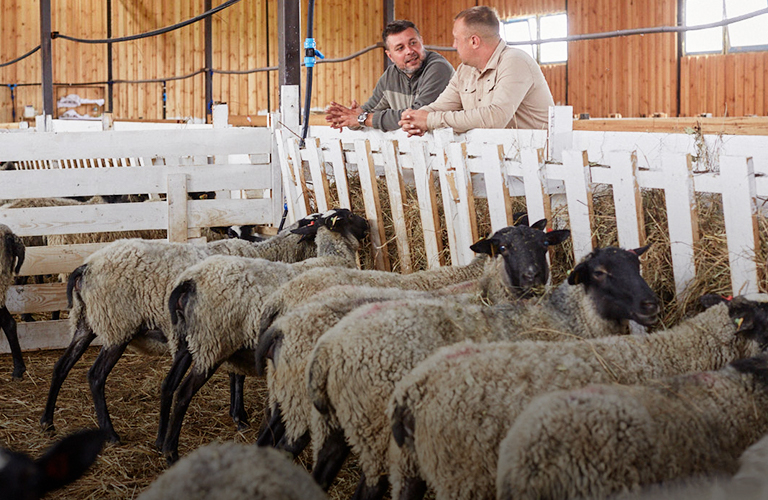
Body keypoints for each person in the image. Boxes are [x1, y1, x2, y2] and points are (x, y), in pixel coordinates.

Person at [398, 6, 555, 136]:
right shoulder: (464, 70)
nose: (454, 45)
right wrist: (414, 118)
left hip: (537, 164)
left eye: (456, 39)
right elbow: (441, 105)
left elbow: (495, 117)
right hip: (498, 160)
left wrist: (429, 120)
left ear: (474, 41)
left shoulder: (515, 61)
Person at [325, 20, 454, 132]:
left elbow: (417, 115)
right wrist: (347, 118)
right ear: (390, 56)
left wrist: (362, 119)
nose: (409, 51)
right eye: (400, 48)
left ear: (422, 42)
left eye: (413, 43)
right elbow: (366, 112)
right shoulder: (390, 76)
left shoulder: (438, 68)